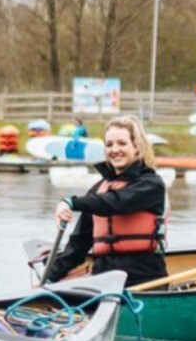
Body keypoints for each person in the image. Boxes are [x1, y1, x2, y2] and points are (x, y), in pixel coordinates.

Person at [44, 115, 168, 288]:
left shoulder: (151, 185)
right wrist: (50, 277)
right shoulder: (98, 190)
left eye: (122, 143)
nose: (115, 150)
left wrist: (70, 202)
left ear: (136, 147)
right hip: (103, 280)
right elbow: (79, 243)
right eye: (109, 145)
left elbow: (116, 202)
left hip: (143, 279)